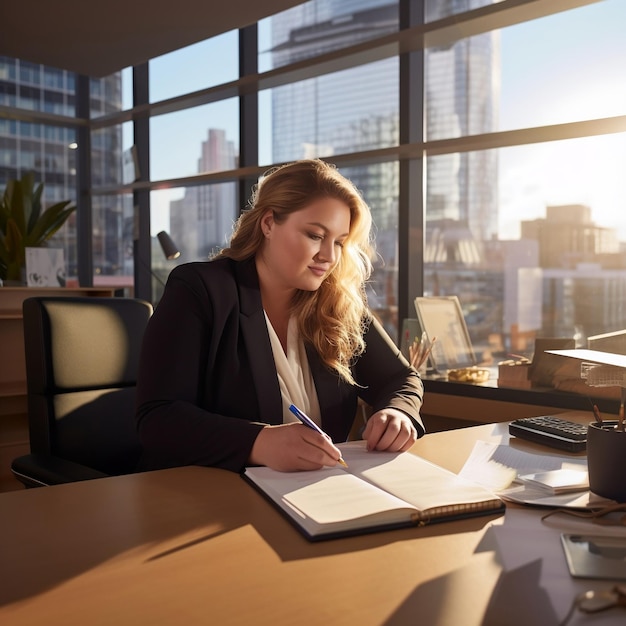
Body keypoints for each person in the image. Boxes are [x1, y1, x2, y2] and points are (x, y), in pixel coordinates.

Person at [135, 159, 424, 473]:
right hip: (217, 496)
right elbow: (158, 418)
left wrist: (399, 413)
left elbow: (401, 378)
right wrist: (259, 442)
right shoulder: (200, 290)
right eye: (315, 235)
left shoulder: (337, 302)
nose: (329, 256)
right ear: (269, 223)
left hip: (318, 493)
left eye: (339, 242)